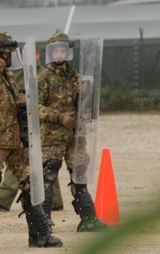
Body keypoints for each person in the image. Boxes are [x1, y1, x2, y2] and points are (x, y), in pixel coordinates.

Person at [0, 31, 62, 248]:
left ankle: (40, 235)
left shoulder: (6, 74)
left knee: (30, 183)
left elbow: (9, 103)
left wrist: (22, 100)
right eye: (11, 51)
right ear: (5, 52)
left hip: (13, 140)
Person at [37, 32, 108, 231]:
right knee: (48, 175)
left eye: (63, 50)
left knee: (79, 175)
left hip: (75, 137)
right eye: (56, 50)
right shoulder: (43, 78)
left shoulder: (76, 78)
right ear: (50, 53)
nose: (59, 54)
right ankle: (44, 223)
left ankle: (88, 219)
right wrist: (59, 116)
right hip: (52, 136)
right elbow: (37, 108)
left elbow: (85, 106)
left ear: (67, 52)